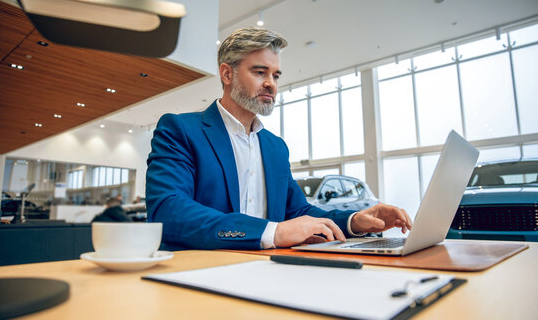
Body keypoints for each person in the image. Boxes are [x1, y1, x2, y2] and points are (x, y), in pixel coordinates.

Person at [146, 27, 412, 250]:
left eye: (275, 75)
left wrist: (354, 221)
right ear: (227, 74)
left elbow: (296, 211)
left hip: (270, 272)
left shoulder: (275, 147)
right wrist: (271, 232)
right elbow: (169, 211)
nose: (271, 84)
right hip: (199, 273)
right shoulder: (180, 129)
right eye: (260, 72)